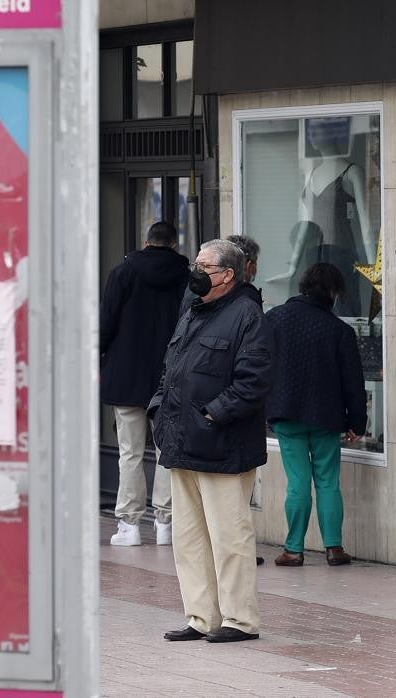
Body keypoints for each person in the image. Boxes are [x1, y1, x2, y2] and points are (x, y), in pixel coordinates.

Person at [151, 239, 273, 643]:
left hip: (222, 447)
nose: (196, 271)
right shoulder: (192, 310)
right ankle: (201, 617)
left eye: (205, 266)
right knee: (189, 539)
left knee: (229, 538)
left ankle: (239, 620)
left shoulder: (247, 316)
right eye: (196, 263)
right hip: (181, 442)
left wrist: (210, 415)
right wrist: (158, 408)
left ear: (227, 275)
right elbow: (172, 367)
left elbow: (252, 382)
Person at [265, 263, 366, 567]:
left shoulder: (274, 319)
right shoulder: (339, 330)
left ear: (303, 286)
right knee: (327, 481)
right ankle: (333, 548)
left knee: (297, 481)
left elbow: (259, 365)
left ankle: (293, 549)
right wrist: (357, 423)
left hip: (286, 413)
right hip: (326, 416)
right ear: (334, 293)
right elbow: (353, 382)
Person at [100, 221, 189, 546]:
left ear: (145, 242)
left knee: (130, 452)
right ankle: (166, 522)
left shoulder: (123, 273)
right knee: (167, 451)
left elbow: (105, 323)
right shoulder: (186, 276)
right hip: (170, 377)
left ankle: (130, 524)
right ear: (174, 244)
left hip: (125, 375)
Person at [225, 233, 268, 567]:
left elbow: (252, 375)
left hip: (227, 420)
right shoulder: (247, 307)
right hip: (218, 424)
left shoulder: (246, 309)